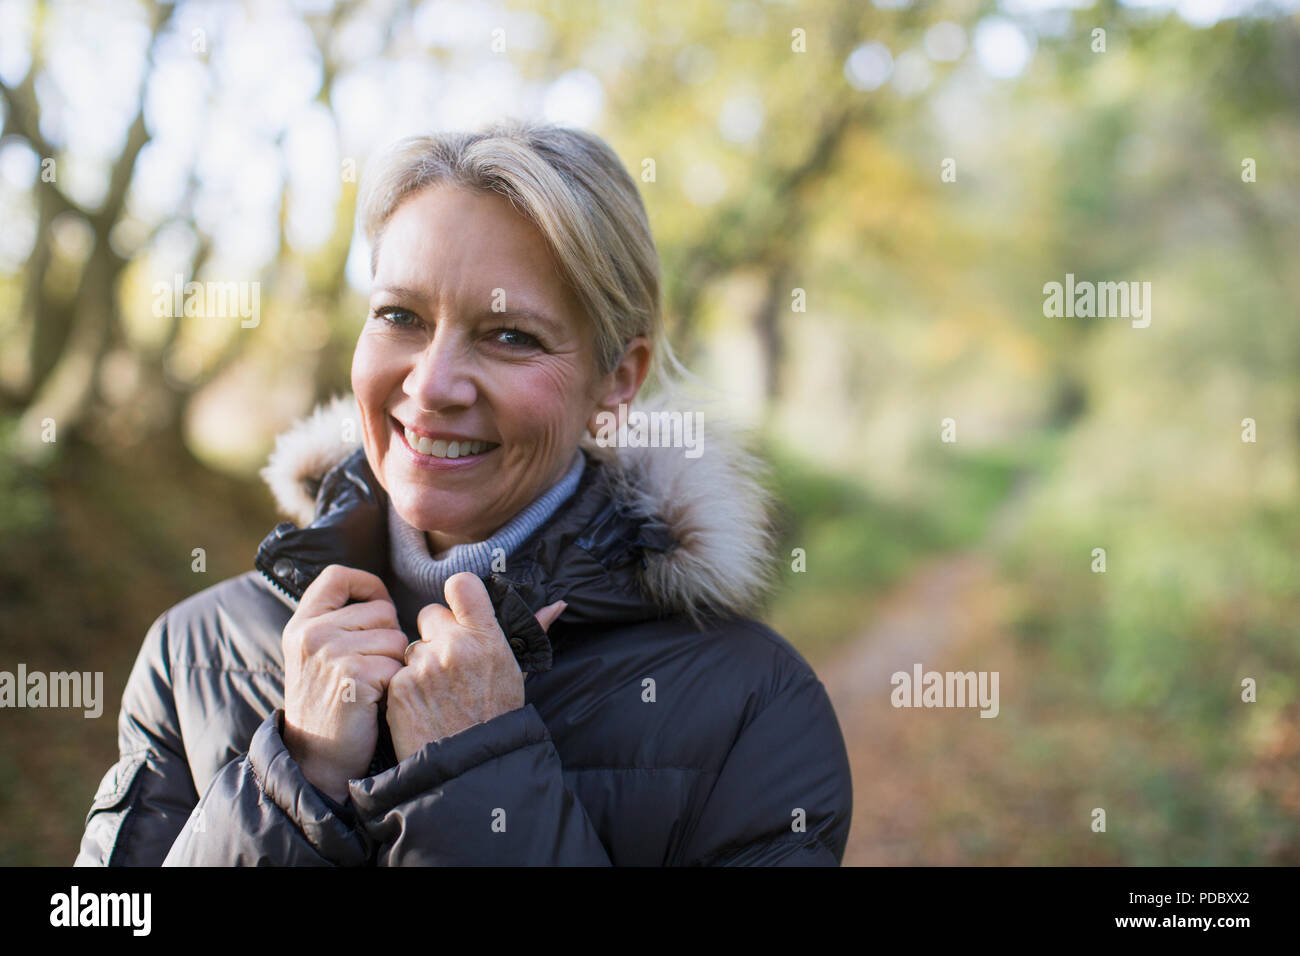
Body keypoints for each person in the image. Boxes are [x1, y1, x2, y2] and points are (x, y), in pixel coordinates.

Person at [74, 119, 852, 866]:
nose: (434, 385)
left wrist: (476, 778)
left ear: (617, 380)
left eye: (511, 335)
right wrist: (294, 782)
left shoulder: (755, 706)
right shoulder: (197, 654)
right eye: (400, 316)